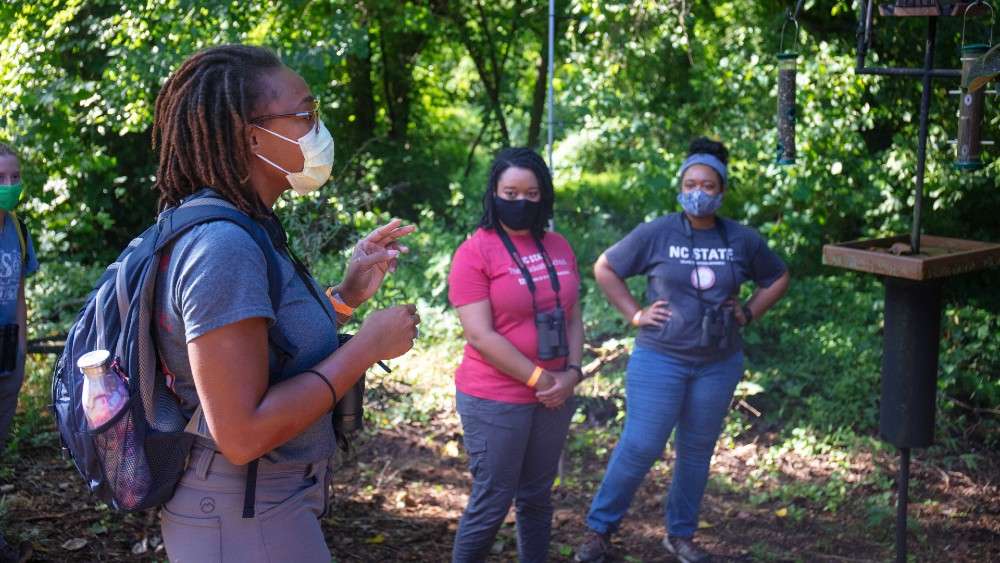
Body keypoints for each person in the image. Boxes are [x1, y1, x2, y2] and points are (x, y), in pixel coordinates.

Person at [149, 45, 420, 562]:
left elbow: (260, 350)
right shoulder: (223, 246)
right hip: (241, 512)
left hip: (262, 503)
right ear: (253, 135)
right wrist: (365, 348)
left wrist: (344, 298)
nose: (319, 129)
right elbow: (242, 433)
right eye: (306, 114)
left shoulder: (246, 224)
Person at [575, 138, 790, 563]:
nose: (698, 191)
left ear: (721, 191)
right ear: (680, 186)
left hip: (718, 362)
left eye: (708, 185)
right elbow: (606, 267)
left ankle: (680, 535)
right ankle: (599, 530)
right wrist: (635, 314)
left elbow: (778, 276)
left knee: (695, 451)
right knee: (640, 444)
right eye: (690, 182)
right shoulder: (658, 232)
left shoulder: (740, 239)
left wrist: (747, 313)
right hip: (661, 357)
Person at [448, 147, 585, 562]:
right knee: (493, 500)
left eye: (530, 193)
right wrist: (542, 381)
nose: (520, 201)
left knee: (537, 497)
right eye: (510, 192)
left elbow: (574, 316)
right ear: (493, 193)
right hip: (496, 398)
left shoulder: (559, 245)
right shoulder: (475, 252)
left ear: (543, 196)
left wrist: (572, 375)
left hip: (555, 397)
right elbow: (480, 335)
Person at [0, 142, 38, 563]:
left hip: (8, 355)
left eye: (14, 177)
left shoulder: (18, 229)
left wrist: (24, 350)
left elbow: (21, 294)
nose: (9, 186)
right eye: (0, 178)